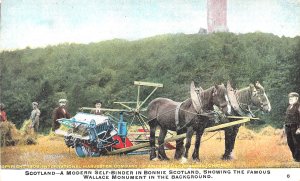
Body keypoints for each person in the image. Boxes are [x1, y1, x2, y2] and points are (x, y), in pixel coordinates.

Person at [285, 92, 300, 162]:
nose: (290, 98)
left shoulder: (298, 106)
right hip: (288, 127)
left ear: (296, 98)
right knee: (289, 142)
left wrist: (299, 128)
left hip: (295, 127)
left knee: (296, 143)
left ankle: (298, 158)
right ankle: (295, 157)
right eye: (289, 97)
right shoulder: (289, 107)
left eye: (292, 97)